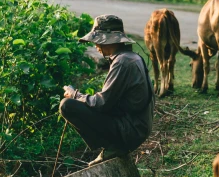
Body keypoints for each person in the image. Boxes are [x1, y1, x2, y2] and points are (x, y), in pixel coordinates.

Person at [59, 15, 154, 162]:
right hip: (136, 126)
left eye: (97, 41)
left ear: (108, 39)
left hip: (131, 130)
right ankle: (113, 146)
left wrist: (75, 95)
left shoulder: (122, 62)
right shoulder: (130, 57)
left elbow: (102, 103)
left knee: (67, 106)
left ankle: (114, 146)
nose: (96, 46)